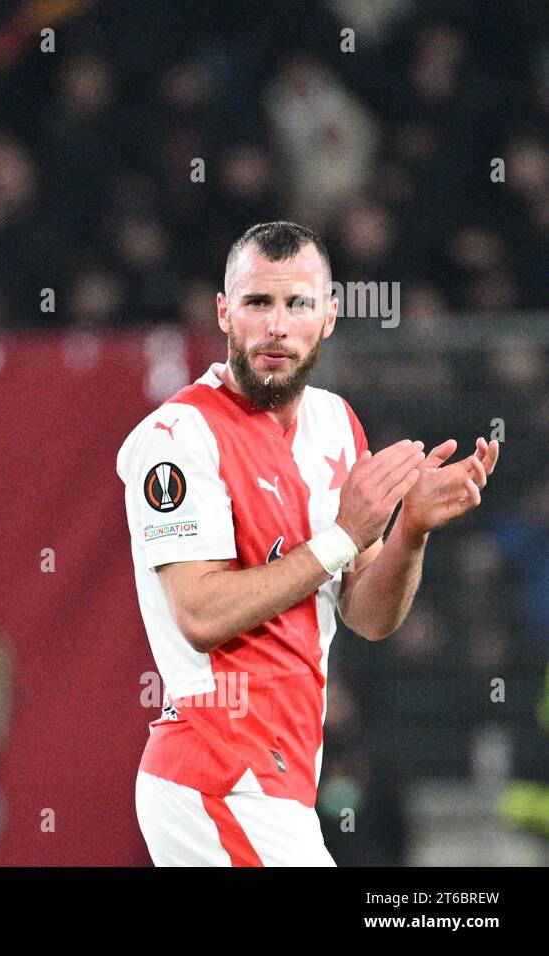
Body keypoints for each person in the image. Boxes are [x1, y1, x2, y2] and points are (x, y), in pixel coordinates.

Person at [116, 220, 499, 865]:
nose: (276, 326)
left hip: (280, 781)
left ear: (328, 317)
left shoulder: (335, 424)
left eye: (298, 304)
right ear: (223, 313)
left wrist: (407, 533)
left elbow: (369, 616)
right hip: (219, 776)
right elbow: (200, 614)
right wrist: (345, 534)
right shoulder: (178, 437)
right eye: (257, 302)